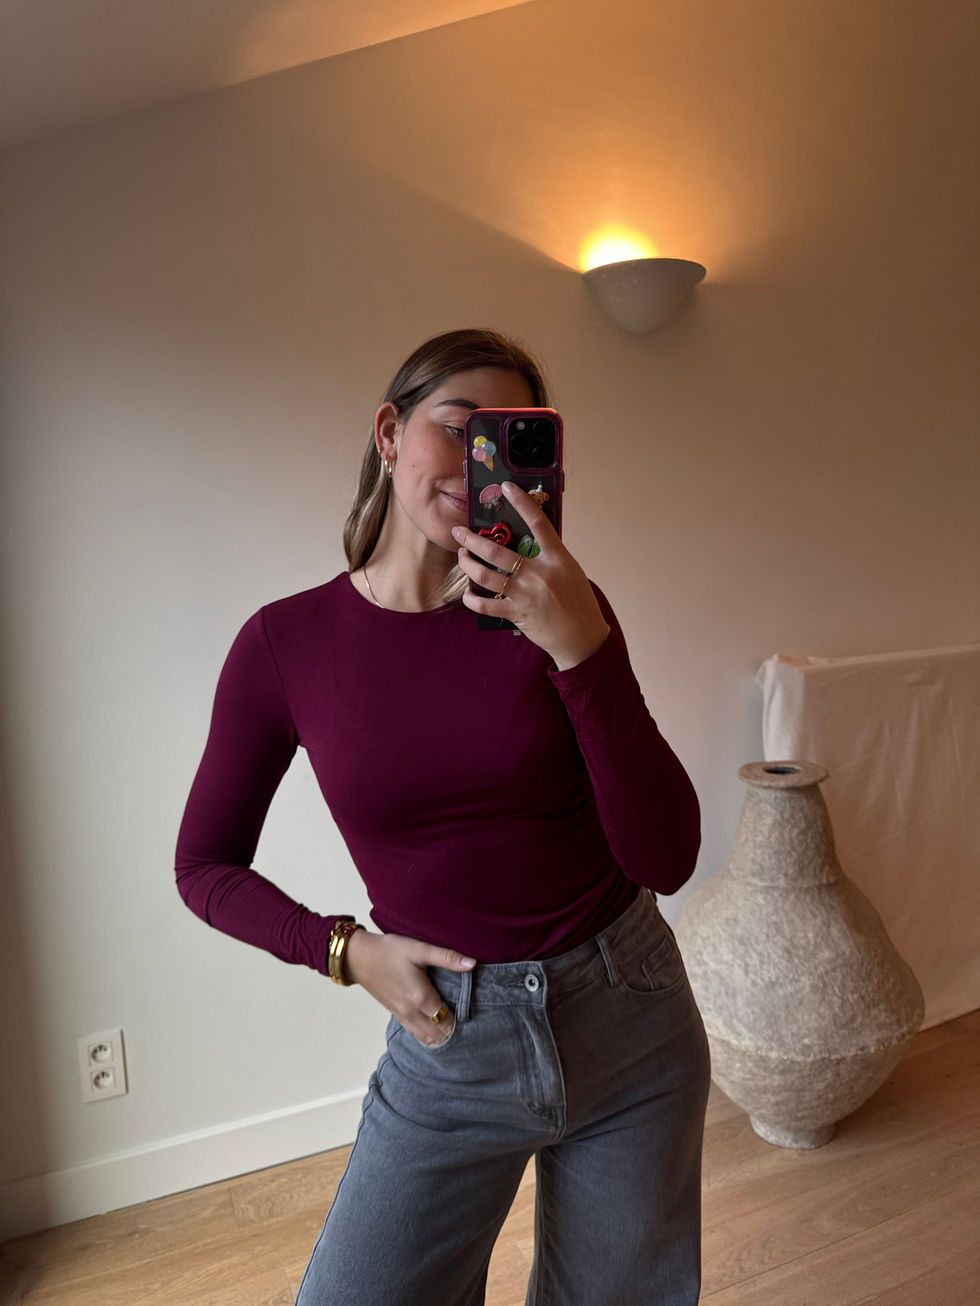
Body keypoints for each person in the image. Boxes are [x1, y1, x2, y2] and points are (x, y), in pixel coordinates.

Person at [175, 328, 710, 1306]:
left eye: (508, 445)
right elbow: (203, 866)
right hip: (452, 1035)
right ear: (389, 432)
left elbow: (665, 857)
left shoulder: (563, 609)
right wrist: (344, 950)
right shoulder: (285, 644)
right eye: (460, 430)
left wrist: (582, 651)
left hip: (628, 1011)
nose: (477, 468)